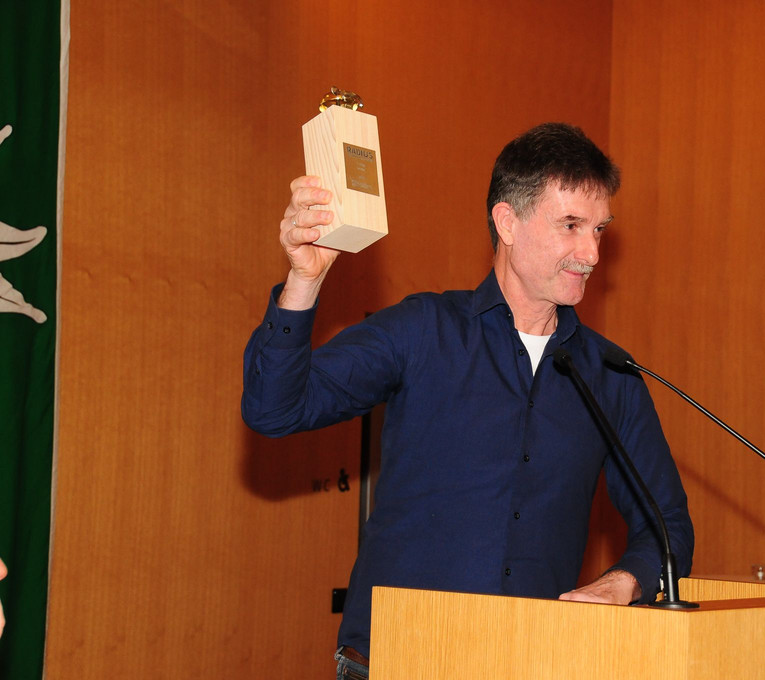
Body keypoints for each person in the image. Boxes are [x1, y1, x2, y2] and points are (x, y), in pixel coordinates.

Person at [242, 122, 693, 679]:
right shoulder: (422, 330)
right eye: (571, 226)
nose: (592, 252)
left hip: (529, 665)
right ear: (508, 222)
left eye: (599, 229)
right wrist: (303, 281)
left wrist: (624, 581)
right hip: (394, 663)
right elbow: (273, 410)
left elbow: (668, 526)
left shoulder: (611, 374)